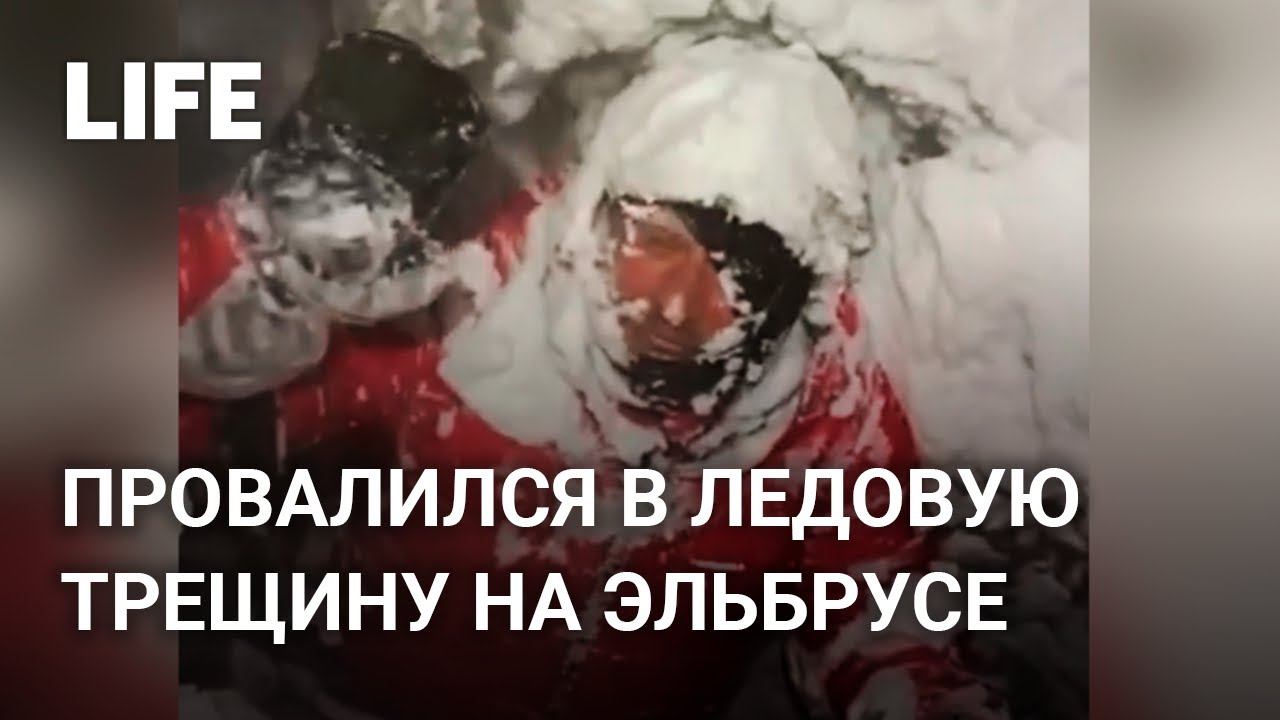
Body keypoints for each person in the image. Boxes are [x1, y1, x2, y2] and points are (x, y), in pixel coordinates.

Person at [180, 34, 1005, 720]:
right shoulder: (478, 289)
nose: (674, 304)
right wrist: (250, 273)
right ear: (593, 215)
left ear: (797, 292)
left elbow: (877, 612)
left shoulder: (831, 410)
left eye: (739, 275)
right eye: (654, 240)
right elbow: (196, 407)